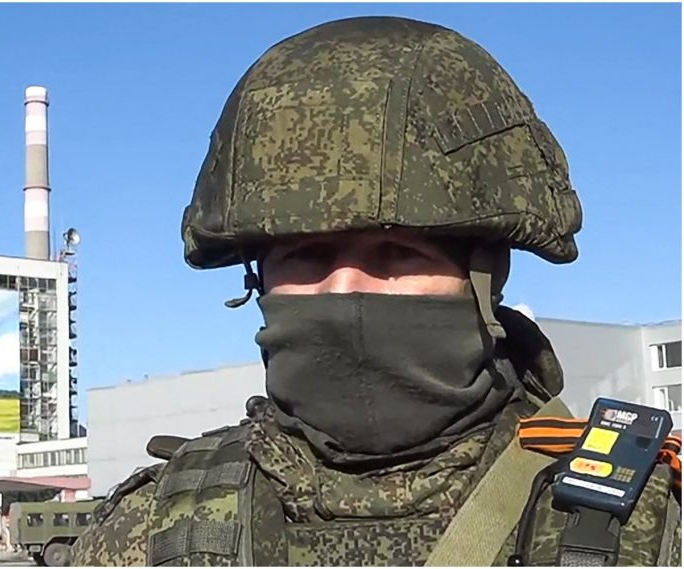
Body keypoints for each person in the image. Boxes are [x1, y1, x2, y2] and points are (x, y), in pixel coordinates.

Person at [71, 16, 680, 567]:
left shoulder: (650, 525)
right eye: (305, 256)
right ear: (258, 277)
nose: (345, 291)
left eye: (397, 254)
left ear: (486, 274)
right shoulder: (149, 532)